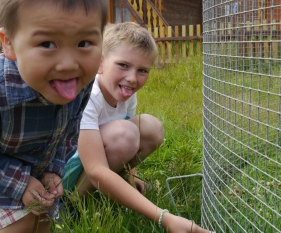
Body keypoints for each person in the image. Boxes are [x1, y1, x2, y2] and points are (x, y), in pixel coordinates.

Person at [0, 0, 108, 233]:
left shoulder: (81, 81)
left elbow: (69, 130)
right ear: (9, 43)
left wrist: (54, 170)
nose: (68, 64)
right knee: (23, 224)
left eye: (85, 42)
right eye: (48, 44)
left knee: (43, 221)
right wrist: (19, 182)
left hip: (39, 169)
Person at [63, 22, 214, 233]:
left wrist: (131, 174)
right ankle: (73, 204)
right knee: (124, 134)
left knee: (151, 127)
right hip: (65, 171)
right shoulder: (88, 96)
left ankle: (117, 185)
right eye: (123, 65)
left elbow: (131, 137)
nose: (132, 78)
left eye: (142, 70)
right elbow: (95, 169)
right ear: (100, 63)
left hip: (98, 155)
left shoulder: (127, 94)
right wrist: (163, 217)